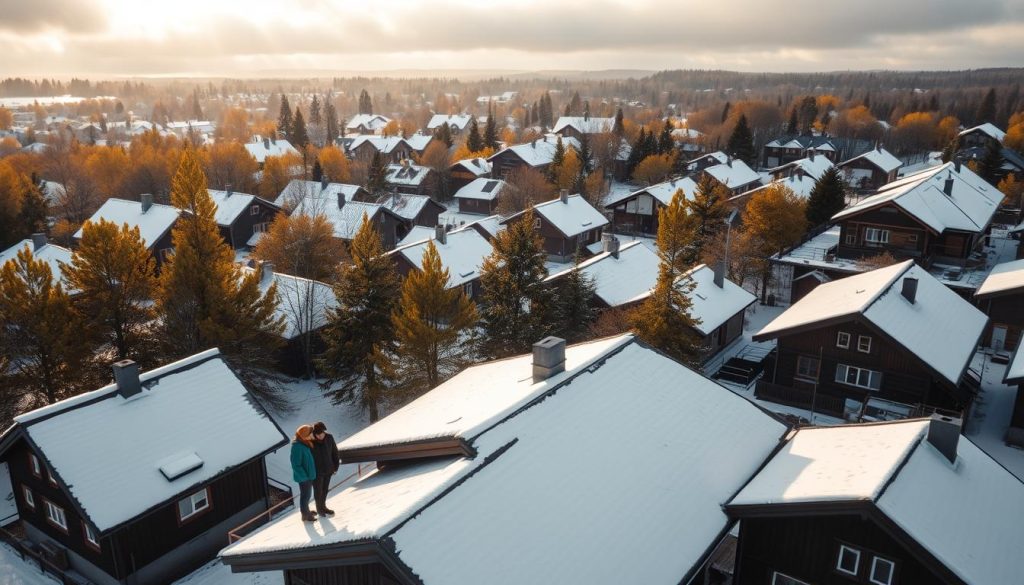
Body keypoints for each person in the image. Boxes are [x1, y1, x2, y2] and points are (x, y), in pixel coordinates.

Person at [311, 421, 340, 516]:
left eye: (321, 434)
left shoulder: (329, 438)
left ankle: (323, 506)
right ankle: (319, 509)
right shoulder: (311, 442)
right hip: (317, 471)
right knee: (318, 491)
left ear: (324, 432)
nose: (320, 436)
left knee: (325, 489)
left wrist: (336, 466)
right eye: (317, 434)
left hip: (328, 469)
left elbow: (334, 452)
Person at [290, 424, 317, 522]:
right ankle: (306, 515)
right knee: (305, 496)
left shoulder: (304, 443)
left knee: (306, 495)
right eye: (310, 433)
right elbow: (296, 465)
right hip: (303, 477)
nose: (311, 435)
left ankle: (306, 511)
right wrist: (304, 476)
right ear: (304, 435)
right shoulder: (297, 447)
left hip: (307, 476)